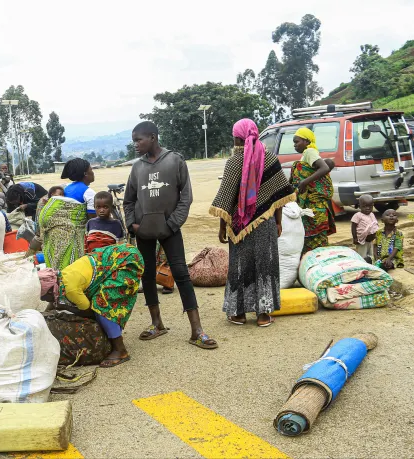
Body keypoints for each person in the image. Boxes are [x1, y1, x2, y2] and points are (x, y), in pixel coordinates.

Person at [124, 121, 217, 349]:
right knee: (146, 276)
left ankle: (197, 330)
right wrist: (133, 225)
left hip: (170, 229)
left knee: (181, 274)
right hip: (144, 231)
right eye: (134, 140)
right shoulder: (137, 167)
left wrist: (172, 224)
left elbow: (186, 197)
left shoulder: (175, 160)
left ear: (153, 137)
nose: (135, 144)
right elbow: (128, 200)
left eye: (139, 140)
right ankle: (157, 324)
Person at [211, 119, 296, 327]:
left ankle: (238, 313)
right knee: (265, 265)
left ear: (237, 137)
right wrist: (277, 222)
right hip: (265, 223)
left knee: (240, 266)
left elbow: (225, 199)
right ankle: (263, 315)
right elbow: (278, 195)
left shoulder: (233, 162)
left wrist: (223, 227)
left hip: (240, 226)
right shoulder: (269, 158)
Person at [45, 243, 143, 368]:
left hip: (125, 260)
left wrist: (64, 307)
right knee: (98, 299)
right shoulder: (60, 279)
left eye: (44, 297)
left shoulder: (70, 289)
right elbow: (52, 303)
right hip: (117, 255)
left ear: (50, 292)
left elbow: (89, 311)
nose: (44, 299)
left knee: (101, 304)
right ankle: (111, 337)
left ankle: (120, 350)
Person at [289, 127, 335, 254]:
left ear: (306, 141)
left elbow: (324, 168)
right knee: (313, 241)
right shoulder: (307, 155)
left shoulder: (309, 152)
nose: (294, 145)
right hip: (310, 205)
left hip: (315, 205)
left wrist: (304, 182)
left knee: (316, 241)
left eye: (297, 141)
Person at [351, 194, 378, 263]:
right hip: (362, 241)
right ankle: (362, 267)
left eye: (370, 206)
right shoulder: (358, 215)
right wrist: (355, 238)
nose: (367, 208)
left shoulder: (372, 215)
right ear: (360, 206)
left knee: (371, 255)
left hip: (371, 240)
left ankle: (370, 266)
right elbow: (353, 226)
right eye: (364, 206)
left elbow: (375, 225)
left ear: (373, 205)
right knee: (362, 256)